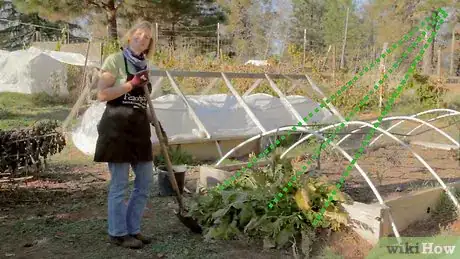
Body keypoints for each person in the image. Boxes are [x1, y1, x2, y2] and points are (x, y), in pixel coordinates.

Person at [94, 21, 157, 249]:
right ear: (130, 37)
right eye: (138, 34)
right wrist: (131, 84)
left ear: (150, 43)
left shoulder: (145, 65)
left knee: (145, 181)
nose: (142, 39)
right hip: (117, 128)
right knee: (120, 184)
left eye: (147, 37)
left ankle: (133, 229)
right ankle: (117, 233)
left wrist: (153, 119)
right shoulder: (115, 60)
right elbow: (102, 94)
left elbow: (142, 102)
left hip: (139, 129)